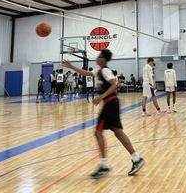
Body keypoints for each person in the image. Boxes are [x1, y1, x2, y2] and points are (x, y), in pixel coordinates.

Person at [62, 49, 145, 179]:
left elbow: (114, 85)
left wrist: (101, 97)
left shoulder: (105, 71)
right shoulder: (99, 71)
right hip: (111, 104)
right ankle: (136, 158)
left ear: (104, 59)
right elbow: (86, 73)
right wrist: (72, 66)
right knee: (118, 132)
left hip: (110, 103)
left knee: (98, 132)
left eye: (99, 56)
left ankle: (104, 165)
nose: (97, 57)